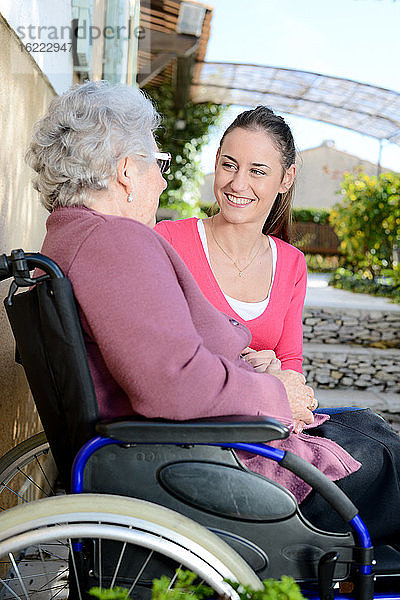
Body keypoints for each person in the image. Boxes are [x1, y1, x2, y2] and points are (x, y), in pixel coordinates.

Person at [26, 82, 400, 544]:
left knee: (367, 425)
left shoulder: (75, 236)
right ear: (126, 172)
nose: (162, 181)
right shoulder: (116, 242)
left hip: (181, 444)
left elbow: (167, 359)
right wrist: (274, 392)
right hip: (197, 461)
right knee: (387, 459)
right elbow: (173, 383)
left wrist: (259, 373)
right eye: (157, 166)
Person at [154, 106, 304, 378]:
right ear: (216, 163)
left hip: (258, 417)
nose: (238, 184)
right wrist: (241, 367)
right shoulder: (169, 240)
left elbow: (291, 362)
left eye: (257, 171)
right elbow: (153, 346)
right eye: (229, 165)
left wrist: (277, 369)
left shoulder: (293, 263)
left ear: (286, 179)